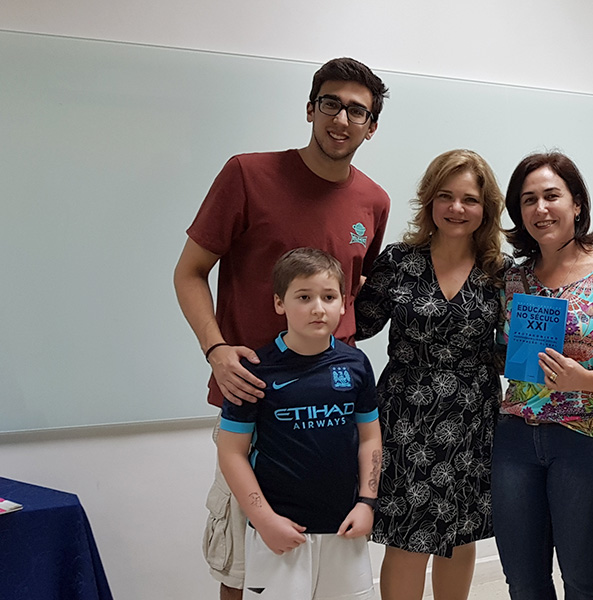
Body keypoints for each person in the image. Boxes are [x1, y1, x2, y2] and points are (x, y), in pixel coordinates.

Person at [173, 57, 389, 599]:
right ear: (310, 109)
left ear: (371, 126)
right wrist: (216, 349)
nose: (342, 119)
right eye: (331, 104)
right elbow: (189, 272)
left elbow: (351, 292)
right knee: (245, 568)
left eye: (357, 111)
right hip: (253, 398)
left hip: (333, 414)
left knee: (331, 573)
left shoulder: (373, 201)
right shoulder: (248, 175)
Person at [492, 151, 593, 600]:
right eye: (528, 200)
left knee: (582, 584)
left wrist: (580, 379)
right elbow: (502, 353)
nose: (540, 209)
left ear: (577, 204)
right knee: (523, 582)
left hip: (591, 442)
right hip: (516, 440)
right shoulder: (513, 280)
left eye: (552, 196)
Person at [354, 149, 509, 600]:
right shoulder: (398, 261)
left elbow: (508, 354)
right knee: (407, 536)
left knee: (460, 534)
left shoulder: (500, 274)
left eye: (469, 199)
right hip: (407, 416)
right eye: (446, 196)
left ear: (485, 208)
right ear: (429, 200)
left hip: (473, 417)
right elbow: (358, 326)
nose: (457, 208)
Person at [217, 248, 381, 599]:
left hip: (344, 527)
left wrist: (367, 503)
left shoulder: (356, 365)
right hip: (279, 532)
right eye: (304, 297)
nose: (318, 308)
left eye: (329, 297)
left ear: (343, 304)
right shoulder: (255, 370)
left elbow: (369, 438)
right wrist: (264, 520)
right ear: (280, 303)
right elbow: (231, 453)